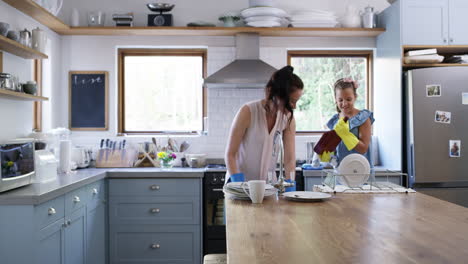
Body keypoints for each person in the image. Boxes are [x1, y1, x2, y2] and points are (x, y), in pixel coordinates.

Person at [225, 66, 304, 183]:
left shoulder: (288, 119)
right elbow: (230, 154)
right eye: (292, 101)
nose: (294, 106)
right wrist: (238, 183)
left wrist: (290, 183)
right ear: (278, 95)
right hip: (241, 184)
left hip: (268, 187)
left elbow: (289, 159)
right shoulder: (248, 111)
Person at [320, 78, 375, 165]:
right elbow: (336, 150)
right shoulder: (335, 121)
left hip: (361, 172)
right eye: (340, 100)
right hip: (341, 173)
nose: (344, 104)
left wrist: (346, 135)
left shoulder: (363, 118)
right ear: (336, 99)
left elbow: (363, 149)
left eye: (348, 99)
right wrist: (326, 152)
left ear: (355, 97)